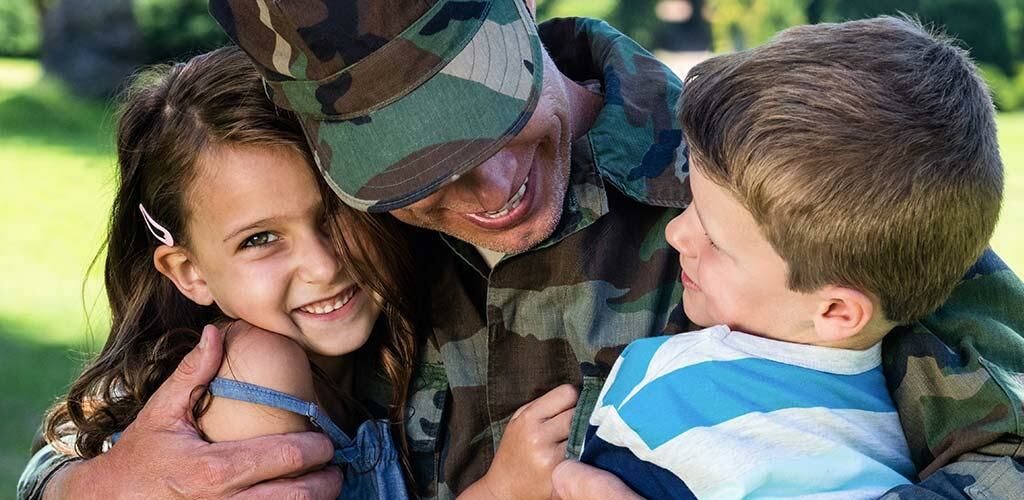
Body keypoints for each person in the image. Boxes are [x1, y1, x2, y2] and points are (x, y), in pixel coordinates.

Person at [19, 0, 1024, 498]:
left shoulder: (771, 185)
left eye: (493, 115)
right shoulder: (332, 254)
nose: (491, 193)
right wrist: (83, 488)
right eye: (419, 169)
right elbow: (128, 415)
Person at [576, 16, 1002, 499]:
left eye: (714, 240)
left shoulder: (738, 447)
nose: (676, 232)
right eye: (690, 204)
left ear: (836, 311)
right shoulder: (860, 422)